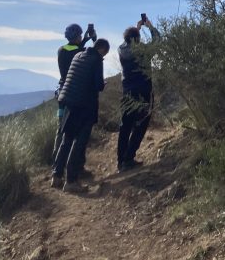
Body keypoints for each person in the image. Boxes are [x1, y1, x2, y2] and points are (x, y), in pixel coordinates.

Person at [51, 38, 110, 194]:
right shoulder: (97, 60)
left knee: (66, 139)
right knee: (79, 142)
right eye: (105, 54)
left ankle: (56, 176)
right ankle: (71, 181)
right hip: (85, 105)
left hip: (69, 102)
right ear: (103, 50)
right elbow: (98, 85)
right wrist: (103, 83)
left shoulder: (78, 55)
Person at [117, 15, 159, 172]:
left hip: (127, 93)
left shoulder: (121, 50)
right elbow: (157, 41)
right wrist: (149, 26)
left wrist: (137, 29)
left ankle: (121, 160)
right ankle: (128, 159)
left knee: (125, 126)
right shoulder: (143, 51)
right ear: (138, 39)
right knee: (141, 125)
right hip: (143, 93)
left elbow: (125, 43)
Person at [53, 23, 96, 158]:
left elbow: (74, 47)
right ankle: (75, 164)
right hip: (75, 94)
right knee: (75, 131)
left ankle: (56, 161)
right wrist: (93, 39)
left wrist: (85, 39)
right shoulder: (79, 52)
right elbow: (89, 52)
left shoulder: (61, 50)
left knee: (61, 128)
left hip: (62, 92)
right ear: (77, 36)